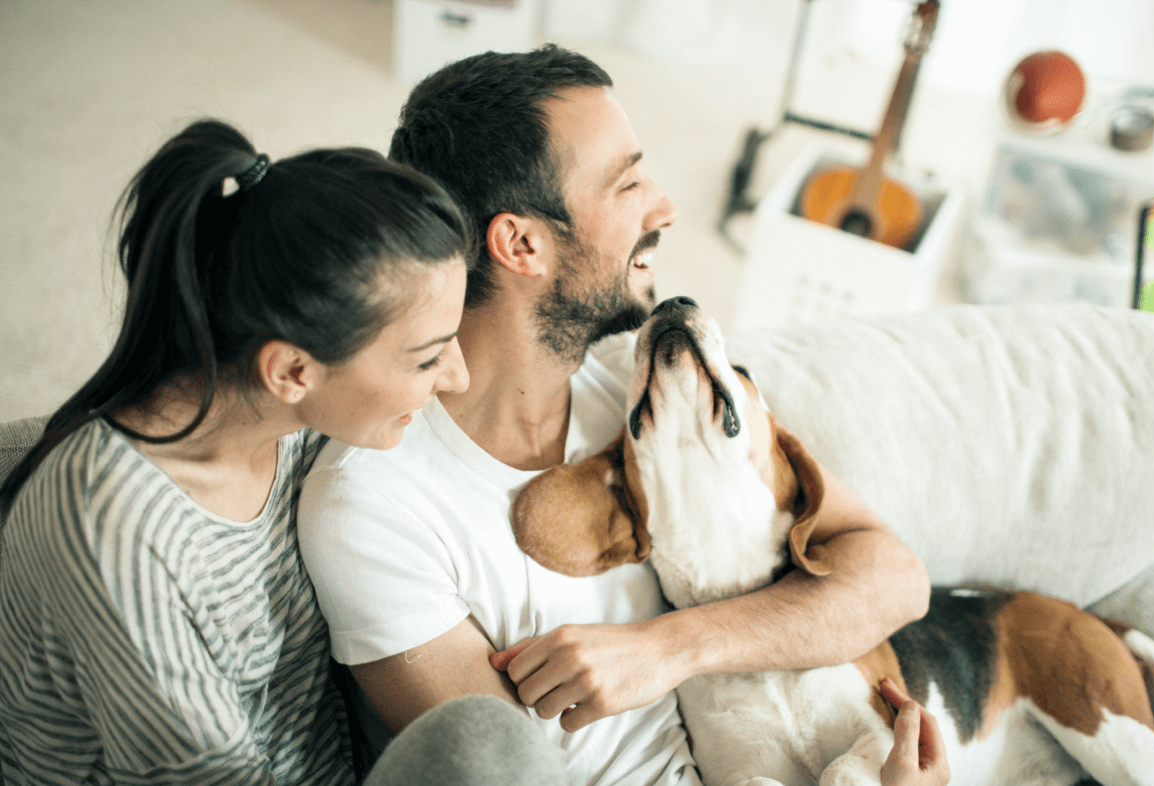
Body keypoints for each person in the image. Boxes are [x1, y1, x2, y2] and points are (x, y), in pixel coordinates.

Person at [297, 46, 943, 785]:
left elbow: (895, 577)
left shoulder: (636, 387)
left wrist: (670, 647)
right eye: (628, 183)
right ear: (521, 243)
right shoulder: (371, 505)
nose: (664, 207)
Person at [0, 119, 561, 785]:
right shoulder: (115, 527)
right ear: (292, 372)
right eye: (426, 358)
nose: (456, 377)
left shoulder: (293, 418)